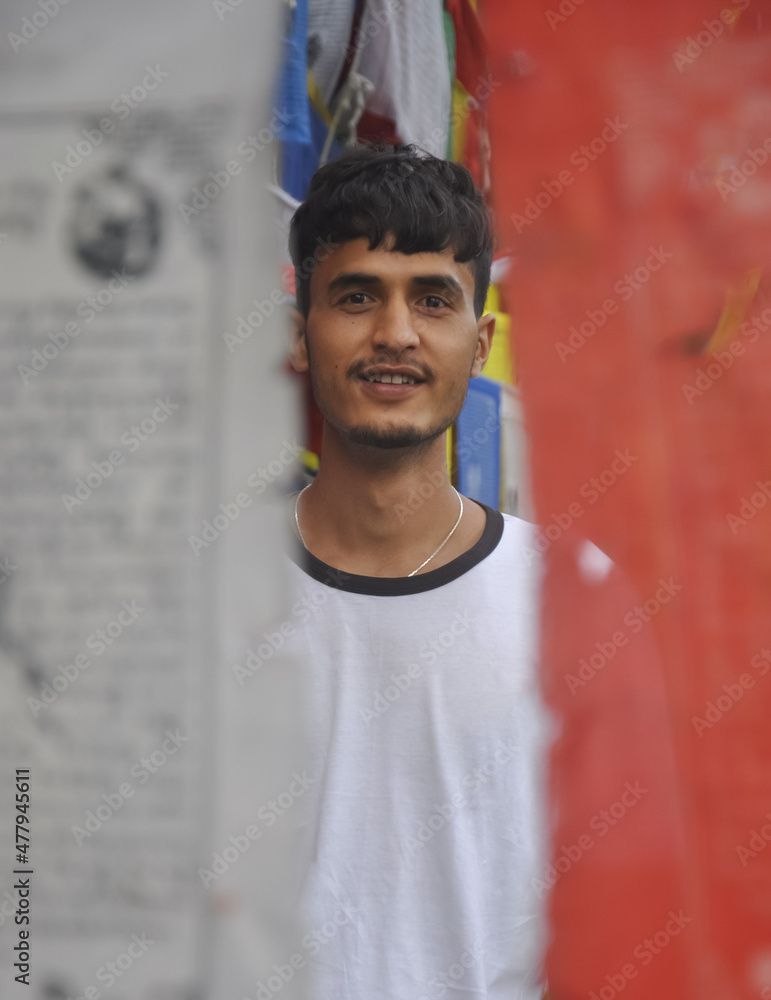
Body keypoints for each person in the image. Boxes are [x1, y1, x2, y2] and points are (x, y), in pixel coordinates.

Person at [283, 143, 549, 1000]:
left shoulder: (569, 598)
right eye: (356, 295)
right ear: (299, 335)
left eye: (432, 298)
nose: (394, 333)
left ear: (480, 344)